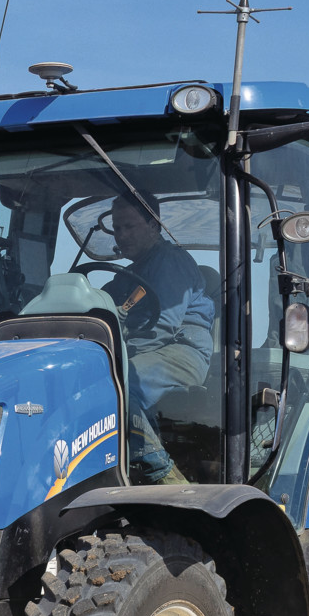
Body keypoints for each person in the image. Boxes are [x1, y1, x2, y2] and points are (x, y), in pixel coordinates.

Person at [100, 198, 219, 481]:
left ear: (154, 226)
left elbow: (161, 328)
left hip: (181, 350)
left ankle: (161, 474)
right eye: (117, 228)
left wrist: (116, 357)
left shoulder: (170, 261)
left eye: (129, 226)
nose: (121, 235)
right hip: (147, 350)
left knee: (119, 383)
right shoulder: (126, 276)